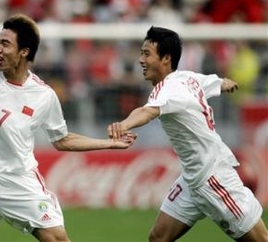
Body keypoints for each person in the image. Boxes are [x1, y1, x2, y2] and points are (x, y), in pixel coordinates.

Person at [0, 13, 136, 242]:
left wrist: (108, 143)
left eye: (5, 44)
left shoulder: (43, 95)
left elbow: (62, 140)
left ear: (24, 51)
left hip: (19, 184)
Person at [107, 26, 268, 242]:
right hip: (192, 180)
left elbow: (147, 111)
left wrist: (123, 125)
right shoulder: (186, 78)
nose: (141, 60)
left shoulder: (170, 90)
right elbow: (213, 82)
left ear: (166, 58)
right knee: (158, 237)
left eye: (147, 54)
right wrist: (224, 84)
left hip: (214, 178)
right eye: (141, 53)